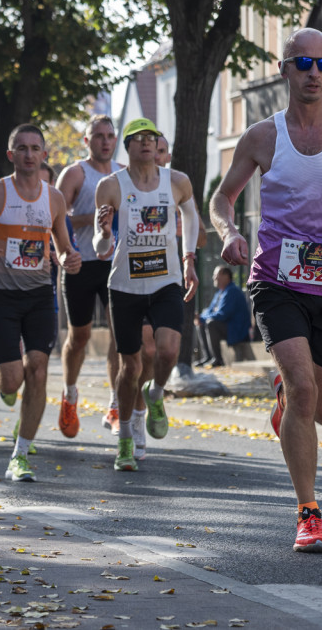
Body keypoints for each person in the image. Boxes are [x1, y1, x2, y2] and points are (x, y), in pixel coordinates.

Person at [209, 28, 322, 553]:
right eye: (304, 63)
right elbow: (222, 198)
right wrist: (230, 232)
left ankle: (286, 399)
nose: (315, 72)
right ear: (285, 69)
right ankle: (308, 513)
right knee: (303, 386)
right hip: (277, 279)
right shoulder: (263, 137)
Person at [0, 124, 81, 482]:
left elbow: (63, 244)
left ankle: (20, 455)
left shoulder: (54, 198)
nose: (28, 154)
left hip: (40, 295)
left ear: (44, 155)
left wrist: (71, 257)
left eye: (34, 148)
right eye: (21, 148)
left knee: (38, 370)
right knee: (12, 381)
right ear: (11, 155)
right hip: (2, 296)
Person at [92, 117, 200, 470]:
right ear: (128, 147)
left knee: (167, 351)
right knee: (131, 366)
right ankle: (125, 437)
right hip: (125, 285)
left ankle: (155, 395)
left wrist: (189, 259)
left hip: (166, 281)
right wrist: (105, 232)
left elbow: (192, 217)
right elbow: (101, 247)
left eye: (151, 137)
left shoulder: (177, 182)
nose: (146, 143)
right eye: (137, 138)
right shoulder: (111, 186)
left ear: (158, 144)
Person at [55, 115, 124, 439]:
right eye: (98, 136)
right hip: (81, 262)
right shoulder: (75, 174)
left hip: (115, 264)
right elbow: (54, 218)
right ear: (87, 141)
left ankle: (115, 405)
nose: (105, 141)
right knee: (79, 336)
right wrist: (92, 218)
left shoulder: (125, 174)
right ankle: (69, 394)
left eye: (110, 135)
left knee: (120, 336)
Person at [194, 265, 251, 367]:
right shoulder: (220, 293)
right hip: (227, 327)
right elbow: (209, 311)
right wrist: (200, 318)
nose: (214, 278)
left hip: (236, 330)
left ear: (226, 276)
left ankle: (218, 359)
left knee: (211, 323)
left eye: (216, 275)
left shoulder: (232, 291)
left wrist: (202, 318)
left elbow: (222, 314)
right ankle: (208, 357)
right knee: (201, 324)